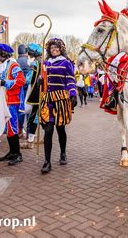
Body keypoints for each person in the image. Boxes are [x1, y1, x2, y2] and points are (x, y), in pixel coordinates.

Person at [40, 38, 77, 173]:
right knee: (48, 130)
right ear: (49, 50)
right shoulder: (45, 63)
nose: (54, 50)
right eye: (52, 48)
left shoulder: (66, 63)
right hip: (47, 100)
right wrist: (39, 80)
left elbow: (71, 79)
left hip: (61, 99)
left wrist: (73, 94)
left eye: (57, 48)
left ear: (61, 49)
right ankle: (47, 161)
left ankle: (63, 153)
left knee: (60, 129)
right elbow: (42, 79)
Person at [21, 43, 43, 149]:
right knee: (39, 116)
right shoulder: (42, 62)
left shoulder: (35, 64)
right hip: (41, 93)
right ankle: (36, 138)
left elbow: (28, 80)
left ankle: (30, 141)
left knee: (33, 117)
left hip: (35, 93)